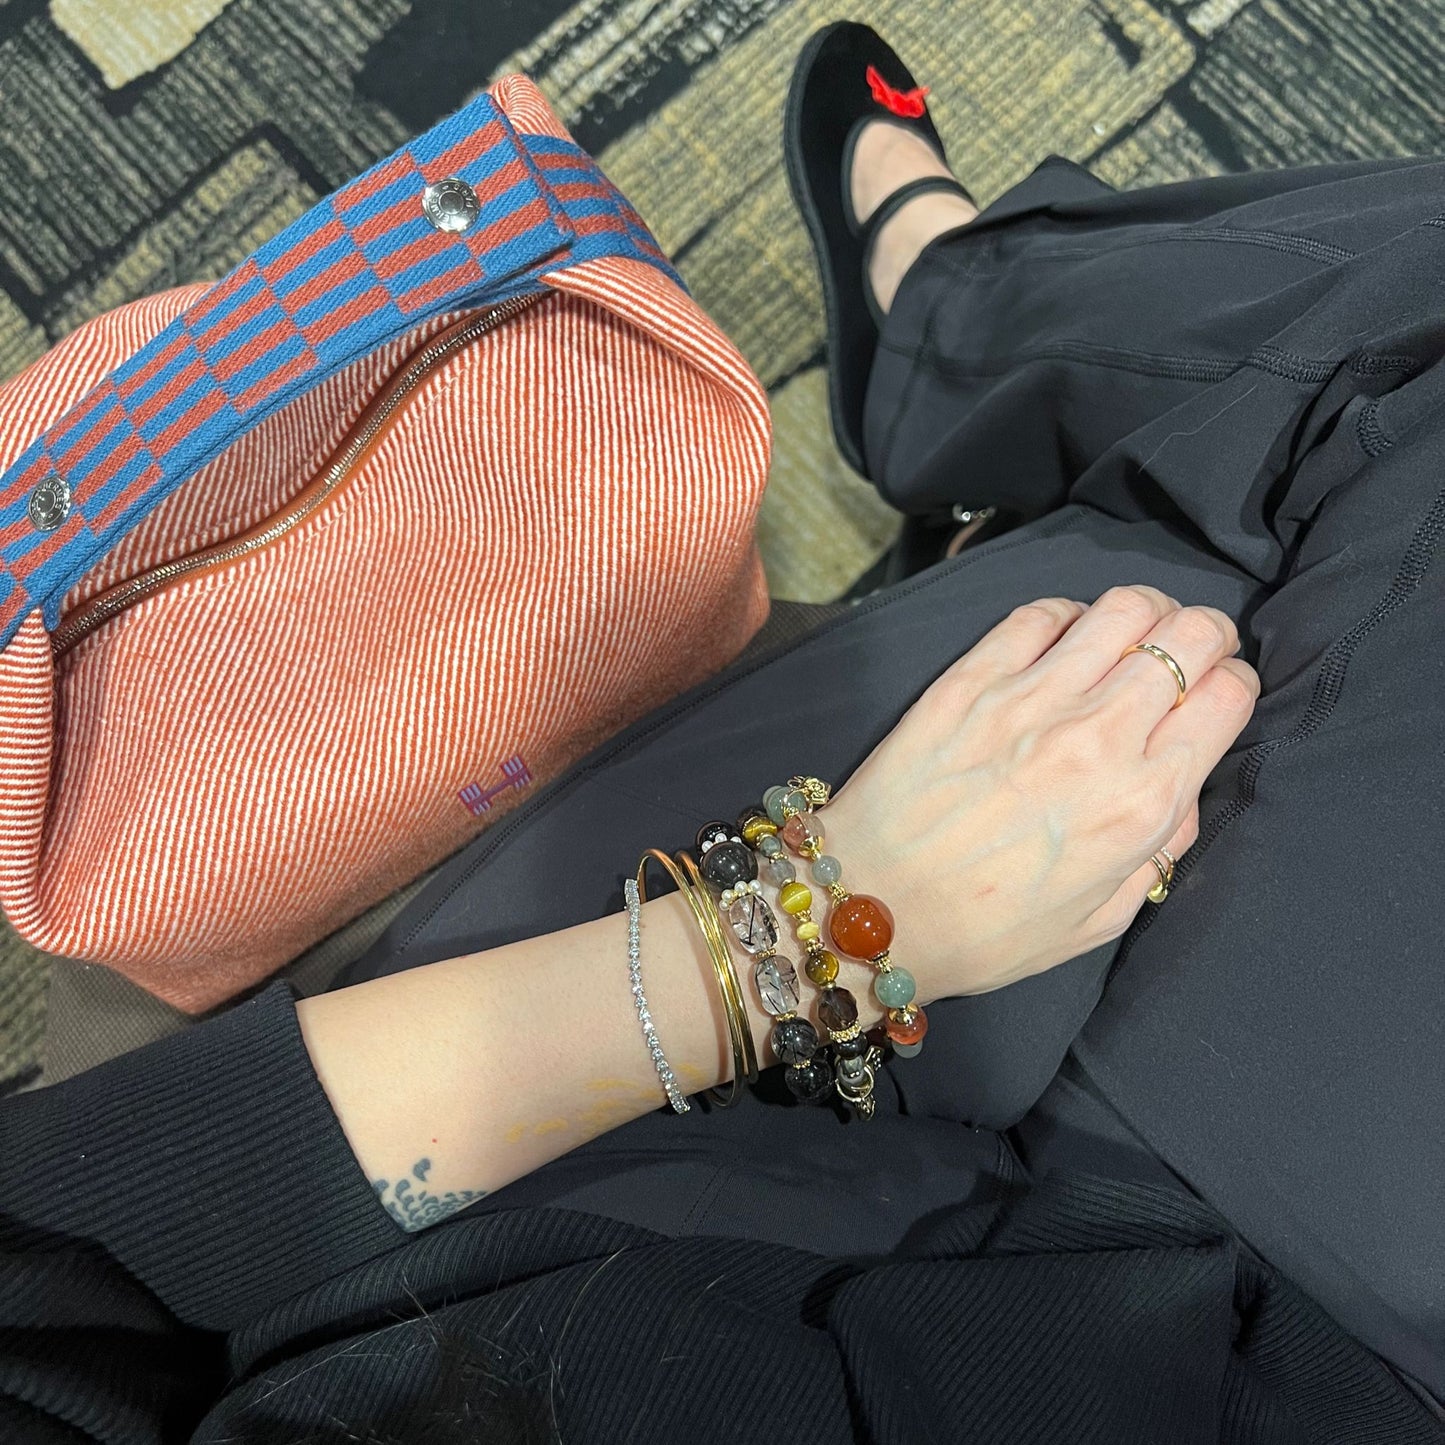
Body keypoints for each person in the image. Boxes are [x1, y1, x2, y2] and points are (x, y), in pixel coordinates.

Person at [1, 21, 1441, 1443]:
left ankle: (946, 328)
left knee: (1235, 536)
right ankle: (959, 326)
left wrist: (798, 934)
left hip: (568, 1242)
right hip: (1332, 1350)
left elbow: (60, 1253)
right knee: (1244, 537)